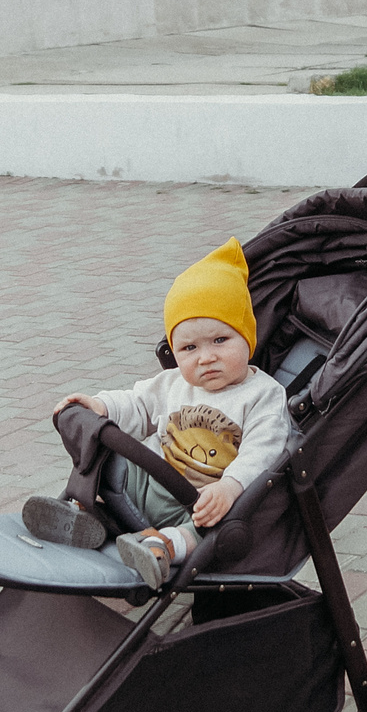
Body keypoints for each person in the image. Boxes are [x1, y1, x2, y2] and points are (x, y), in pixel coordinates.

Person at [42, 240, 293, 588]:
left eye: (220, 340)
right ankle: (87, 512)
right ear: (174, 351)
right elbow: (137, 404)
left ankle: (161, 548)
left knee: (214, 528)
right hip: (150, 483)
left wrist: (230, 487)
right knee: (111, 453)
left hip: (200, 501)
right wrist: (100, 405)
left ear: (247, 337)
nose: (205, 357)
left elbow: (263, 451)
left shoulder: (263, 395)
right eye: (189, 348)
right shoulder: (172, 383)